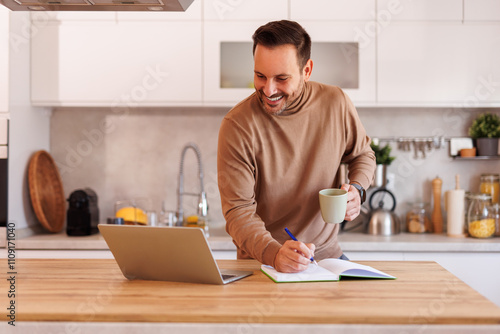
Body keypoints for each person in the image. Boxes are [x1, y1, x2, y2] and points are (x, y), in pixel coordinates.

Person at [217, 20, 375, 273]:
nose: (268, 89)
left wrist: (357, 189)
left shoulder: (335, 103)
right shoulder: (238, 125)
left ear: (307, 70)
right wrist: (274, 253)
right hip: (262, 263)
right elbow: (238, 212)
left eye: (281, 78)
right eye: (260, 76)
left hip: (326, 258)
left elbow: (363, 155)